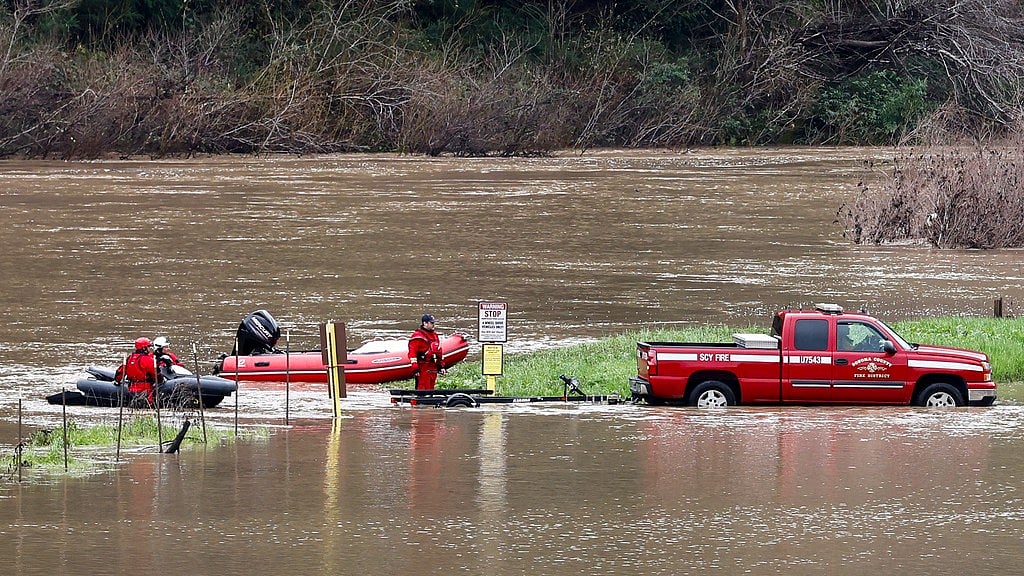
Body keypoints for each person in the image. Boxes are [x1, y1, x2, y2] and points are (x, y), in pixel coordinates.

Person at [115, 337, 157, 406]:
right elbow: (156, 374)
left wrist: (117, 381)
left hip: (131, 390)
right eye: (149, 347)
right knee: (147, 408)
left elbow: (120, 372)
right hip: (145, 390)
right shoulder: (148, 360)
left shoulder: (130, 358)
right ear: (144, 348)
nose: (150, 349)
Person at [408, 314, 446, 390]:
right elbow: (412, 354)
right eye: (431, 323)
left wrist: (441, 366)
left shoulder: (434, 335)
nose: (433, 325)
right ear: (425, 323)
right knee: (422, 389)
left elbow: (439, 351)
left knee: (431, 390)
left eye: (434, 323)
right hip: (423, 368)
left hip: (433, 367)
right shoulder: (417, 336)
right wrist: (415, 368)